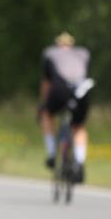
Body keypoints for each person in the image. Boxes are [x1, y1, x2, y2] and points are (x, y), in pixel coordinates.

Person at [39, 32, 91, 182]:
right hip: (81, 91)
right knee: (79, 126)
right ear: (71, 44)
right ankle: (80, 162)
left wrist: (43, 103)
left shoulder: (50, 53)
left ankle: (51, 154)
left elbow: (46, 83)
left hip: (59, 89)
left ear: (58, 44)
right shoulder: (83, 53)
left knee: (47, 115)